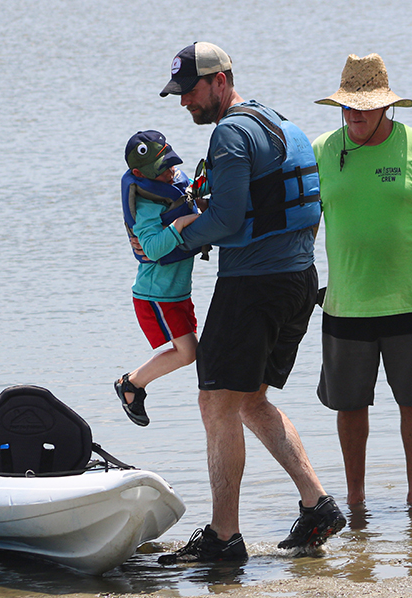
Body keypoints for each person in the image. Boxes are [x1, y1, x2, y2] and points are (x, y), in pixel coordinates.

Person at [155, 42, 346, 564]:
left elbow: (230, 221)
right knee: (250, 401)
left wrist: (177, 237)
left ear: (221, 81)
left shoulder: (231, 134)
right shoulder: (284, 124)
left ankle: (223, 537)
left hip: (254, 289)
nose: (184, 103)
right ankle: (319, 505)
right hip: (297, 283)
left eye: (190, 91)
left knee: (216, 401)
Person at [312, 54, 412, 508]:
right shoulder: (322, 149)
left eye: (363, 106)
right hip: (345, 305)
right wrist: (295, 282)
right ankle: (356, 502)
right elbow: (306, 226)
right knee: (349, 408)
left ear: (386, 106)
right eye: (348, 106)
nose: (354, 115)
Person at [115, 130, 201, 427]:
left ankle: (133, 384)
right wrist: (180, 224)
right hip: (156, 295)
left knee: (194, 350)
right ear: (139, 173)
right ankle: (132, 384)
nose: (169, 172)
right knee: (189, 353)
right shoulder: (146, 204)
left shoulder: (177, 182)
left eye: (171, 164)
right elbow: (151, 248)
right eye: (160, 170)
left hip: (177, 293)